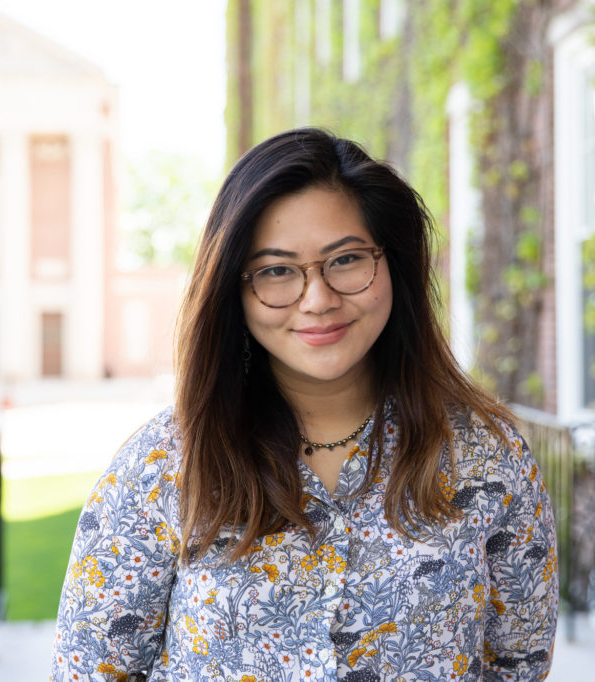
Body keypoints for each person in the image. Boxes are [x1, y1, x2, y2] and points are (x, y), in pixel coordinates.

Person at [51, 128, 558, 681]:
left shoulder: (486, 458)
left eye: (345, 259)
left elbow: (516, 668)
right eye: (276, 271)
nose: (317, 300)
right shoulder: (162, 467)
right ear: (233, 290)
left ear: (392, 264)